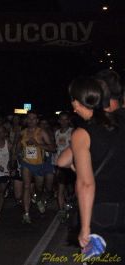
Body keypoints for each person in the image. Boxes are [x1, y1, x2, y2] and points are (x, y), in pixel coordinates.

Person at [58, 76, 125, 261]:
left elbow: (86, 183)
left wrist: (85, 229)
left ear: (76, 103)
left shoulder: (83, 133)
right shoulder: (119, 122)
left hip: (102, 212)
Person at [18, 111, 55, 224]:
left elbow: (53, 148)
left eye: (34, 118)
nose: (31, 121)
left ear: (37, 120)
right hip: (26, 163)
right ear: (26, 120)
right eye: (29, 118)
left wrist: (37, 144)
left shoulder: (41, 132)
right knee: (26, 186)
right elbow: (19, 147)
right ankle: (26, 213)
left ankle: (38, 199)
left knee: (39, 188)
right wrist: (17, 156)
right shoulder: (23, 132)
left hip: (39, 165)